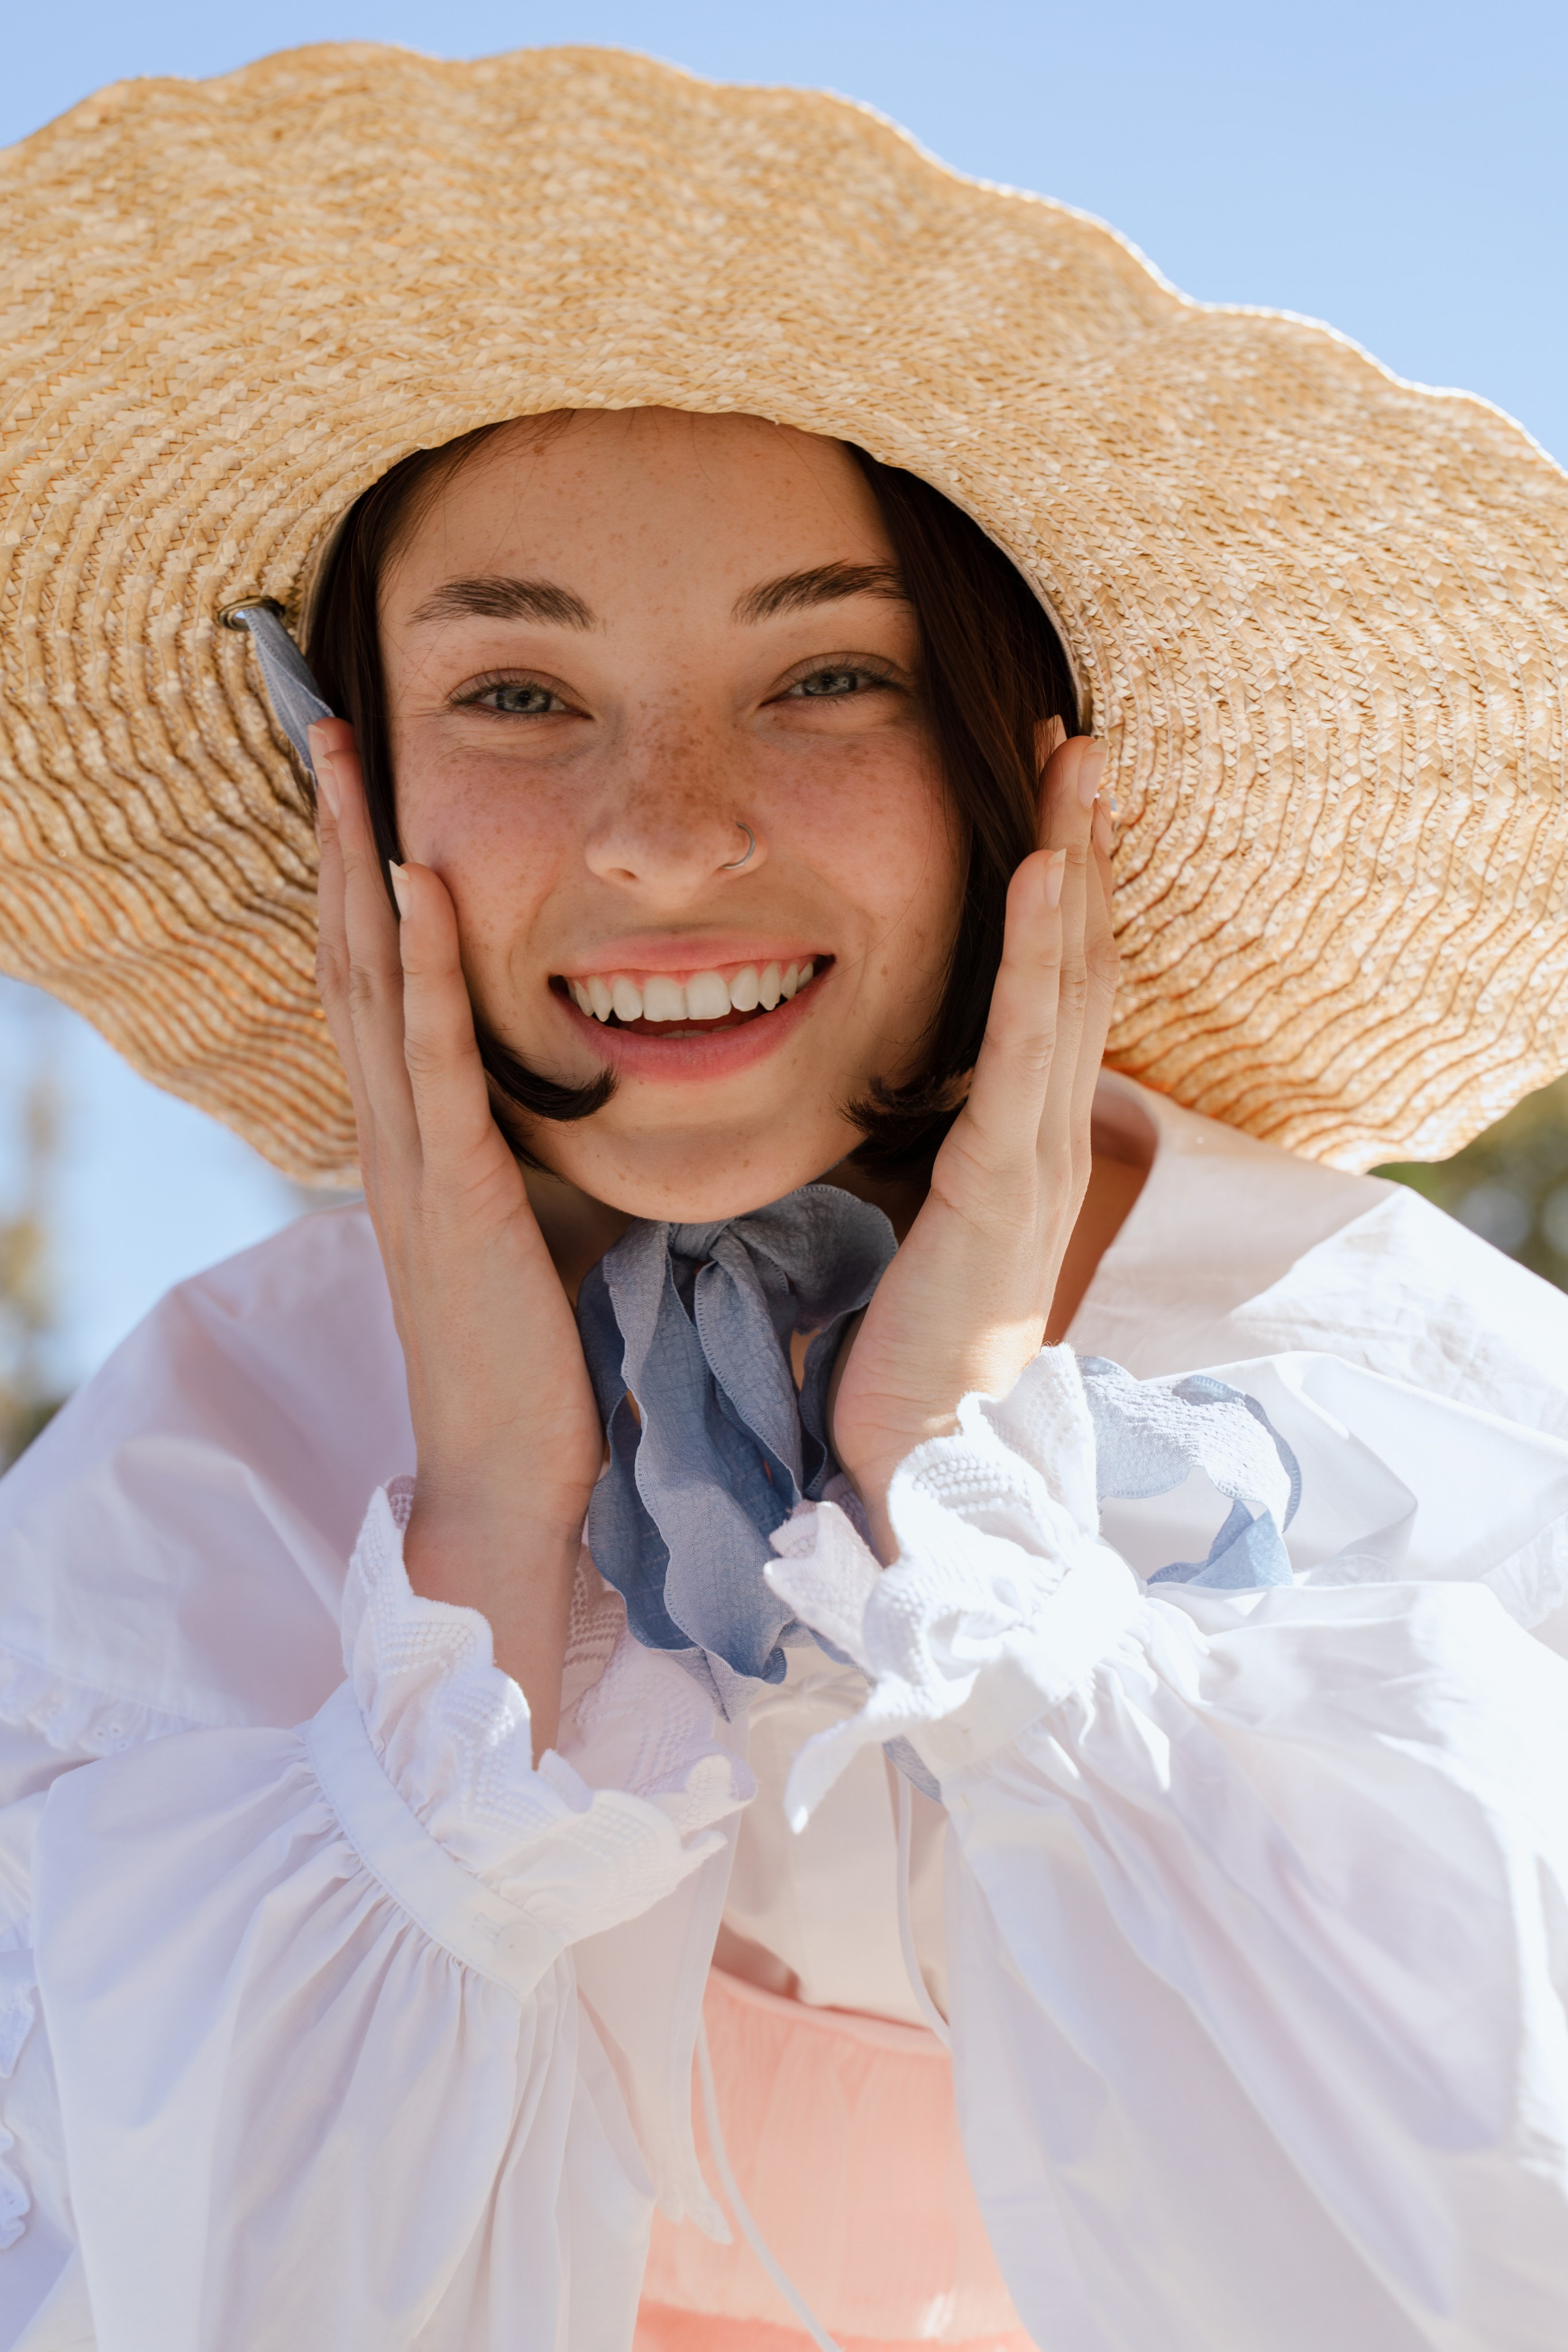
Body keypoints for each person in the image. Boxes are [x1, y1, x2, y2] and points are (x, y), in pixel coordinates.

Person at [1, 42, 1566, 2352]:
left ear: (1022, 767)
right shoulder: (211, 1460)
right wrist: (489, 1533)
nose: (664, 833)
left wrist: (961, 1484)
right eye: (518, 696)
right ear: (357, 798)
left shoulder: (1410, 1409)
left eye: (828, 675)